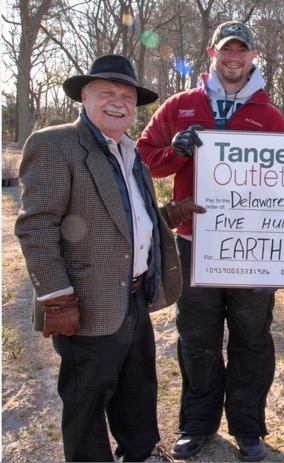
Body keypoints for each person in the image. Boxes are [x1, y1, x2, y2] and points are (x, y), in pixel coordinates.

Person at [14, 54, 187, 462]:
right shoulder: (54, 144)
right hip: (85, 302)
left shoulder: (131, 154)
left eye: (126, 96)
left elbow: (126, 220)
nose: (118, 102)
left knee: (136, 387)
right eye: (106, 92)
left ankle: (141, 453)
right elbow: (36, 226)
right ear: (85, 96)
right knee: (86, 400)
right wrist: (57, 296)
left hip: (134, 295)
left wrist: (169, 215)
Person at [137, 21, 284, 462]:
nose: (233, 58)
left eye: (242, 51)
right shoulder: (180, 106)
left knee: (252, 337)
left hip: (252, 247)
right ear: (212, 53)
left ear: (253, 57)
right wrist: (176, 153)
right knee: (197, 336)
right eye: (226, 50)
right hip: (192, 242)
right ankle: (196, 424)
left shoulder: (270, 116)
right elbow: (144, 159)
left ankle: (248, 428)